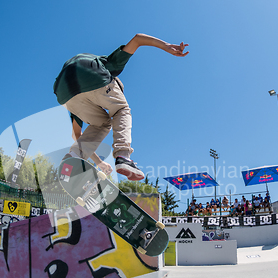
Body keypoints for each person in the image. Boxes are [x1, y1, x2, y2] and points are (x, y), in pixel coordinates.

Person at [54, 33, 189, 181]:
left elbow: (78, 136)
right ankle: (123, 156)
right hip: (93, 74)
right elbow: (137, 39)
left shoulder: (80, 103)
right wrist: (166, 46)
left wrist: (99, 163)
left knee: (102, 123)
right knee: (120, 110)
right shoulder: (111, 64)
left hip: (64, 92)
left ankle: (71, 158)